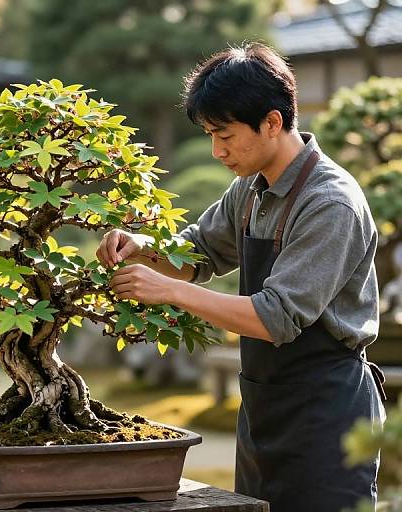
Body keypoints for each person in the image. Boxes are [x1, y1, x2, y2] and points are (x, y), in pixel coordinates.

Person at [96, 42, 386, 512]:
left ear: (272, 122)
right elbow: (198, 252)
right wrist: (143, 248)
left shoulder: (329, 204)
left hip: (328, 417)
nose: (216, 150)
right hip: (263, 407)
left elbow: (275, 317)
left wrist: (169, 290)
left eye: (225, 134)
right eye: (210, 134)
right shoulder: (250, 190)